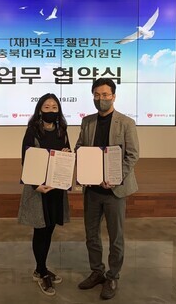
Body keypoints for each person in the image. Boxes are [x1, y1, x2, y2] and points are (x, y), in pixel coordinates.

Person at [75, 78, 139, 300]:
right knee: (91, 235)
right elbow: (80, 147)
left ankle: (113, 276)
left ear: (113, 96)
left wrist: (115, 177)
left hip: (115, 191)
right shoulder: (87, 122)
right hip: (92, 190)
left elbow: (132, 155)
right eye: (96, 95)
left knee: (116, 237)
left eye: (104, 95)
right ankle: (97, 272)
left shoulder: (126, 123)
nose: (100, 99)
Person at [18, 93, 71, 296]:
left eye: (54, 107)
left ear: (59, 110)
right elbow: (26, 160)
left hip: (55, 188)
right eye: (47, 107)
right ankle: (41, 272)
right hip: (39, 189)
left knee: (49, 230)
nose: (51, 110)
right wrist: (35, 185)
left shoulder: (62, 130)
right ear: (40, 109)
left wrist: (67, 155)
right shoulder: (32, 130)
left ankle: (41, 268)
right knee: (40, 230)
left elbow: (66, 155)